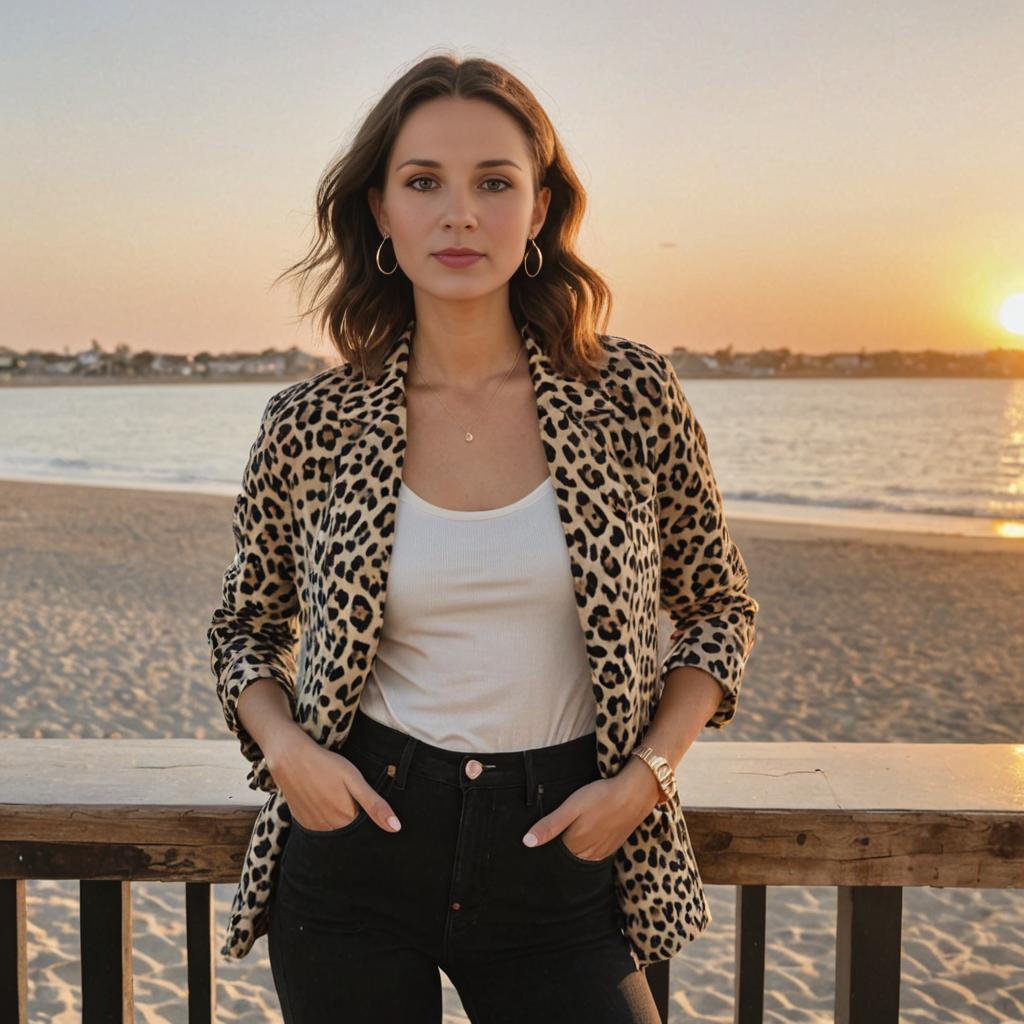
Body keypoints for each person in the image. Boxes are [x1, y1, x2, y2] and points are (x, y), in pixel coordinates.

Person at [207, 51, 759, 1024]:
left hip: (562, 858)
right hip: (354, 859)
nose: (459, 213)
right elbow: (244, 628)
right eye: (424, 182)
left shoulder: (627, 394)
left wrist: (650, 775)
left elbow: (718, 608)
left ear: (538, 210)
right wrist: (285, 746)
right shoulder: (311, 423)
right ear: (380, 210)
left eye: (493, 183)